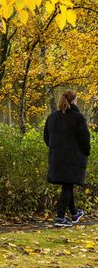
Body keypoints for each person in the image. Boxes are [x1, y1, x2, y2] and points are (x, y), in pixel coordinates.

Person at [43, 90, 90, 227]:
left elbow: (47, 138)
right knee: (68, 185)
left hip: (57, 157)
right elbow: (85, 139)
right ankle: (60, 218)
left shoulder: (52, 117)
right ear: (73, 101)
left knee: (67, 184)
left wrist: (56, 149)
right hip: (73, 157)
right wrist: (85, 153)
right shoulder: (78, 118)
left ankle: (75, 213)